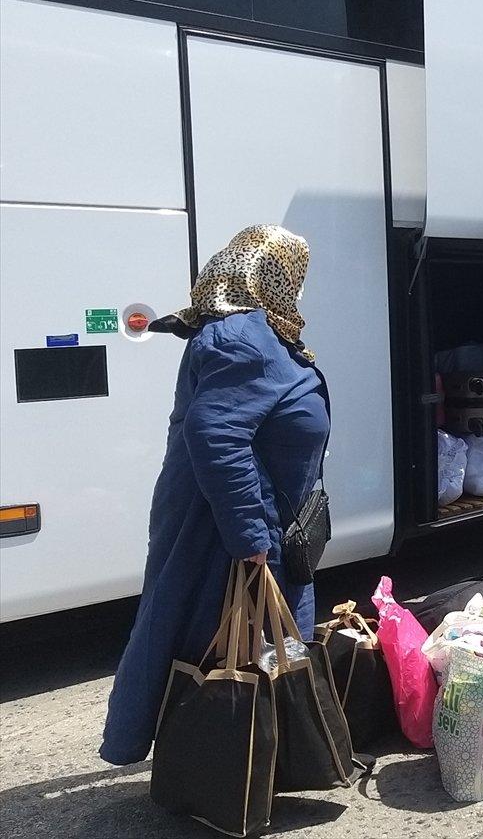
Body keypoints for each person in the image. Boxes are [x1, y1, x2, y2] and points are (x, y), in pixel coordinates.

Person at [101, 225, 326, 765]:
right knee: (235, 648)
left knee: (254, 647)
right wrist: (250, 536)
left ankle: (263, 759)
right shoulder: (245, 337)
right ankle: (233, 768)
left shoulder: (249, 333)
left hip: (259, 524)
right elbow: (216, 435)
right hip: (236, 535)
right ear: (267, 277)